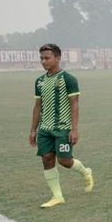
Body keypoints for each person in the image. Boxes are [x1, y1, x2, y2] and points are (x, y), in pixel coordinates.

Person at [29, 44, 94, 208]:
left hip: (63, 128)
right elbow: (37, 106)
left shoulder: (68, 79)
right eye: (41, 58)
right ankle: (57, 196)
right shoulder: (40, 81)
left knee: (64, 161)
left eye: (47, 58)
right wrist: (33, 130)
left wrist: (74, 129)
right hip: (45, 129)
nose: (43, 61)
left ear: (58, 58)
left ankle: (86, 172)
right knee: (47, 159)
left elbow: (75, 105)